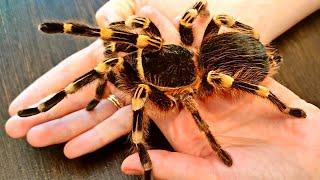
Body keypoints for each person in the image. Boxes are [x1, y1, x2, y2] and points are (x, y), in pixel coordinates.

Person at [5, 0, 320, 179]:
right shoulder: (171, 44)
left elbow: (199, 10)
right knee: (109, 63)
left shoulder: (182, 90)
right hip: (222, 51)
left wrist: (210, 140)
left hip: (226, 68)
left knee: (217, 78)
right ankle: (47, 106)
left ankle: (283, 106)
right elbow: (199, 10)